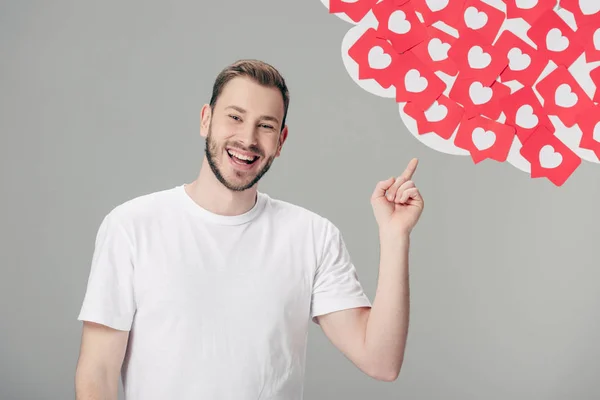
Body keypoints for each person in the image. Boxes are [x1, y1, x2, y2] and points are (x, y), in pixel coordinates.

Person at [74, 59, 424, 400]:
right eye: (235, 117)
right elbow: (98, 374)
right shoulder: (131, 226)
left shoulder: (312, 236)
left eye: (266, 126)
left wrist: (395, 237)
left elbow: (381, 361)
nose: (248, 138)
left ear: (281, 140)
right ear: (206, 120)